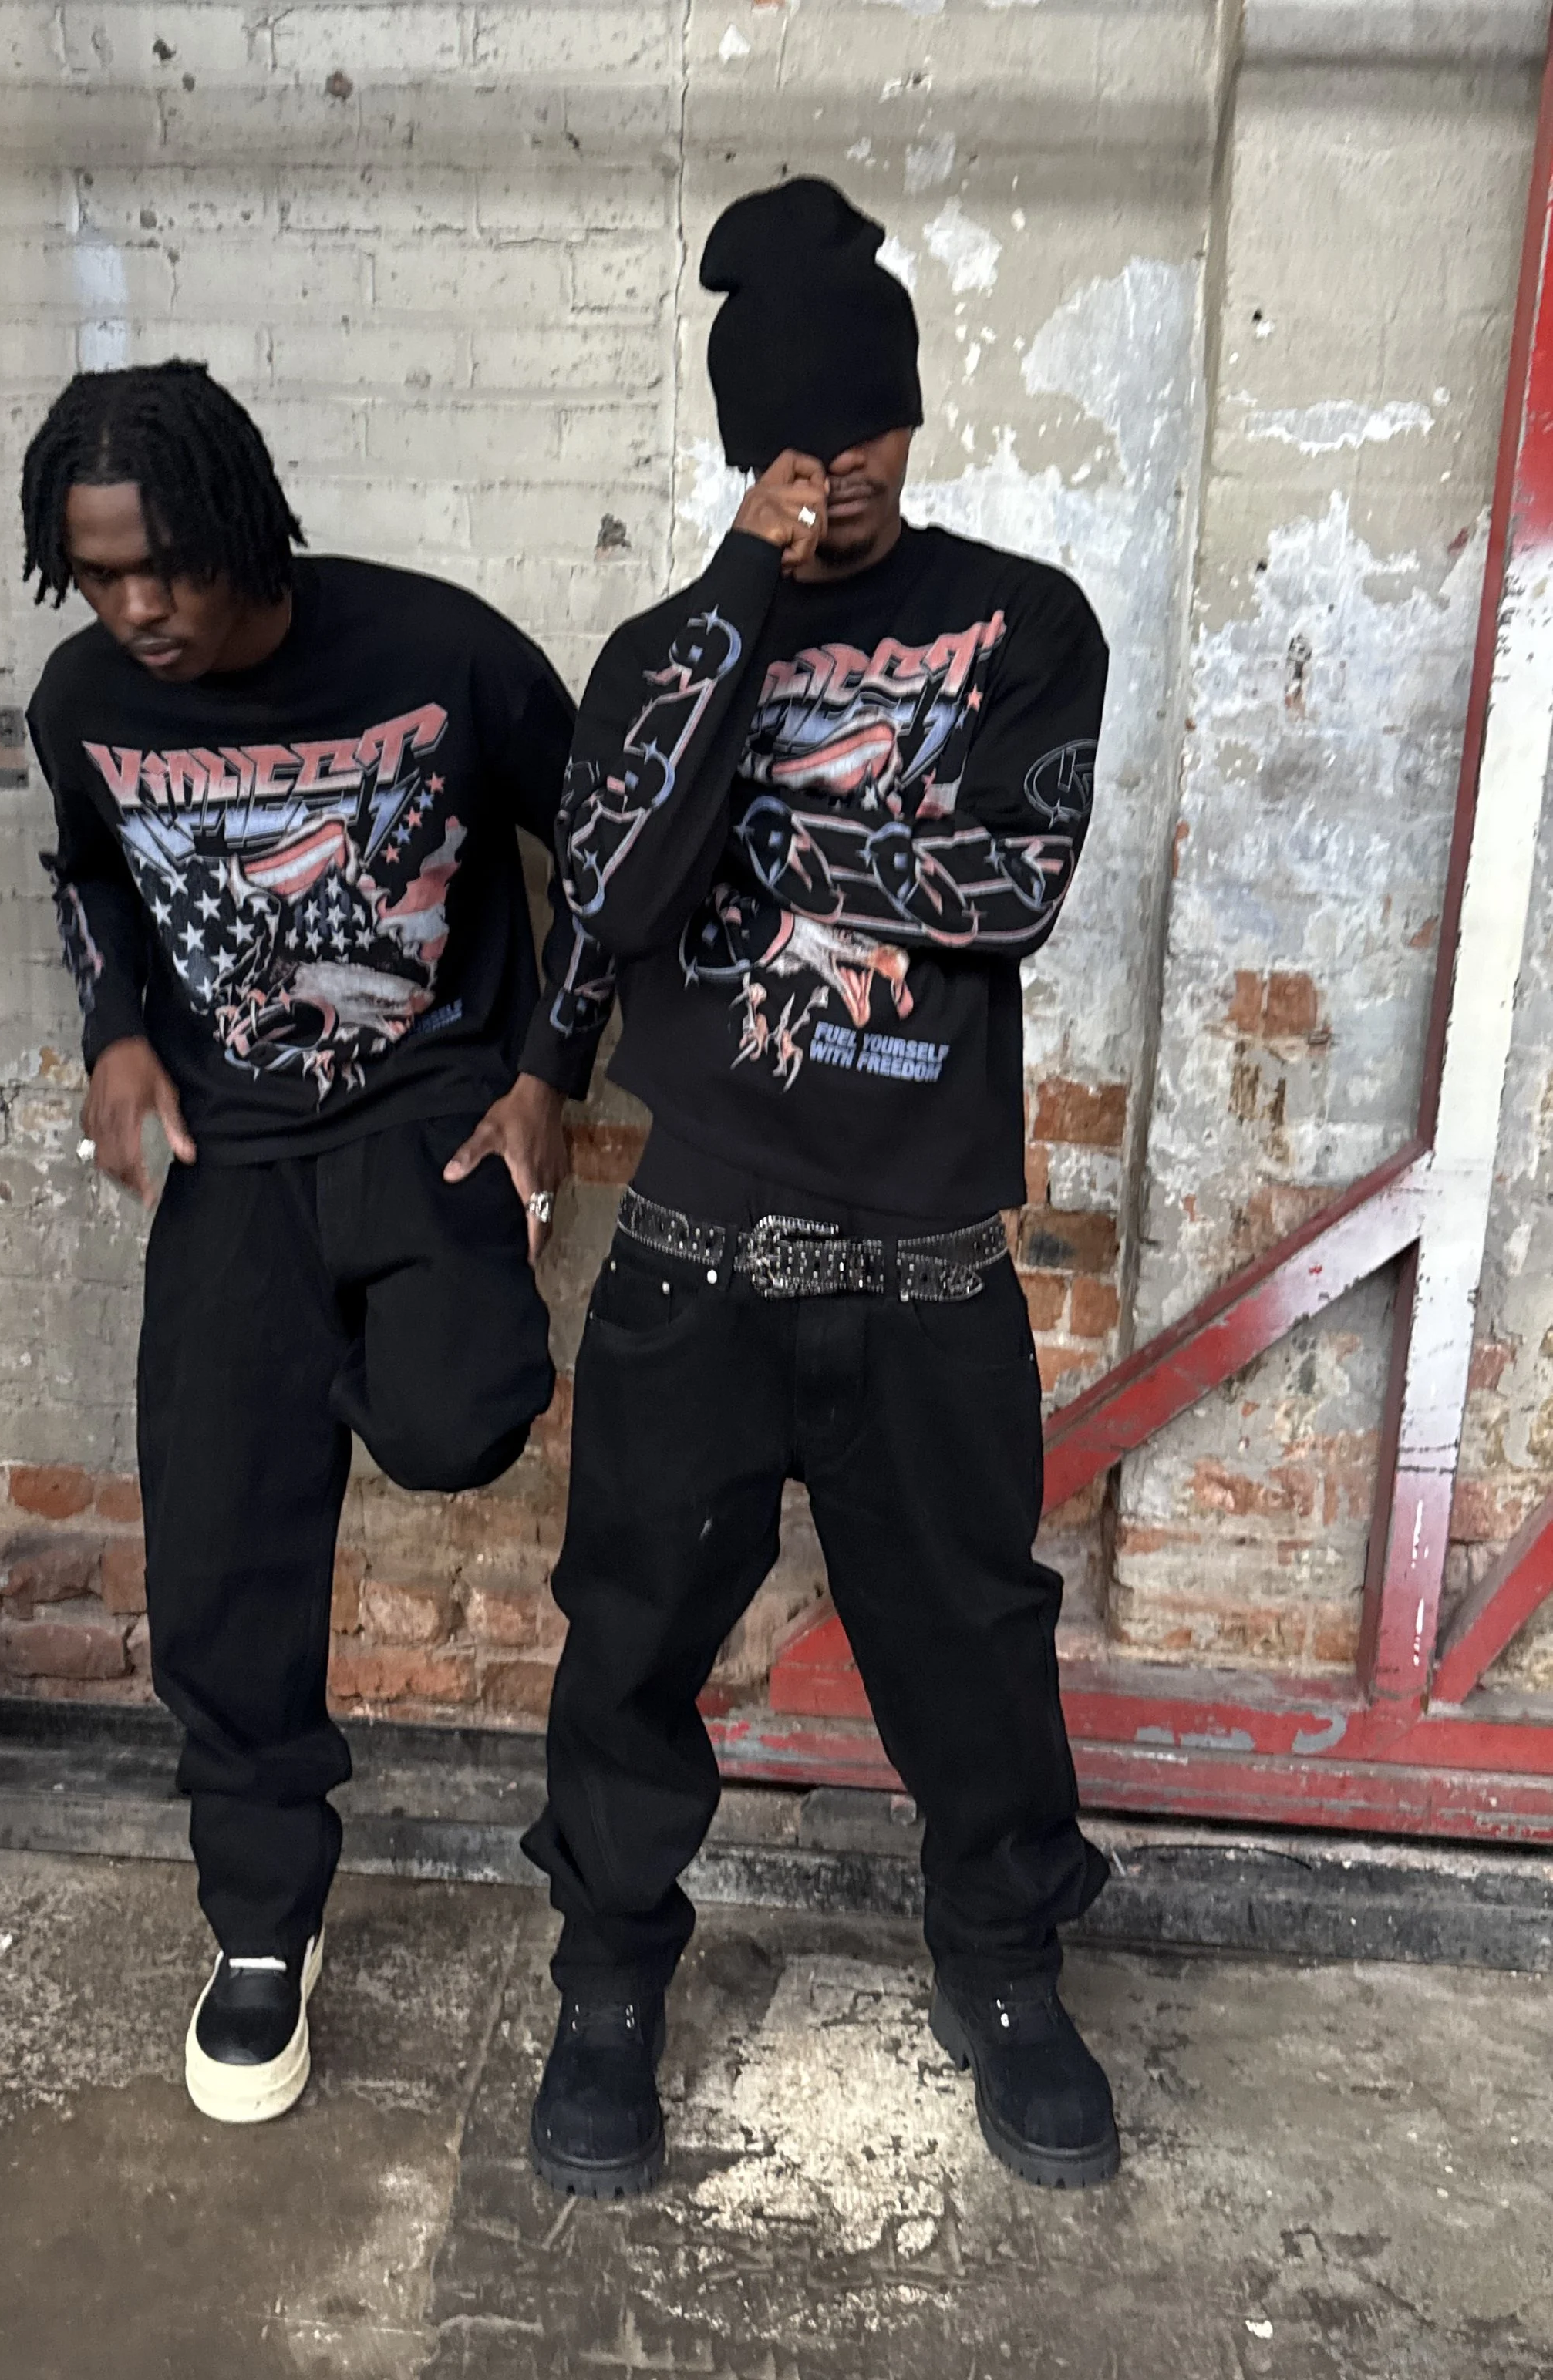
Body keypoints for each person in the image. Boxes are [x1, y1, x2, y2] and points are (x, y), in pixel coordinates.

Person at [522, 178, 1117, 2197]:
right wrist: (737, 592)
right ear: (739, 445)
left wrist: (760, 853)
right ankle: (607, 1984)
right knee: (624, 1646)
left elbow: (1005, 890)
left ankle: (1007, 1969)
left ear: (908, 421)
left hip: (930, 1260)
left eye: (859, 433)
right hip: (692, 1265)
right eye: (791, 440)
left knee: (973, 1645)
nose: (832, 473)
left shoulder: (1022, 622)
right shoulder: (668, 644)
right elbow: (604, 893)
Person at [22, 360, 611, 2125]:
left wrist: (547, 1077)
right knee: (219, 1548)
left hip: (424, 1122)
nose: (137, 611)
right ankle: (264, 1925)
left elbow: (598, 854)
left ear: (239, 530)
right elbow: (89, 875)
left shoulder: (437, 653)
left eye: (165, 571)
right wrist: (112, 1025)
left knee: (453, 1420)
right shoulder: (83, 702)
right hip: (232, 1152)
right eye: (99, 576)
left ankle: (364, 1357)